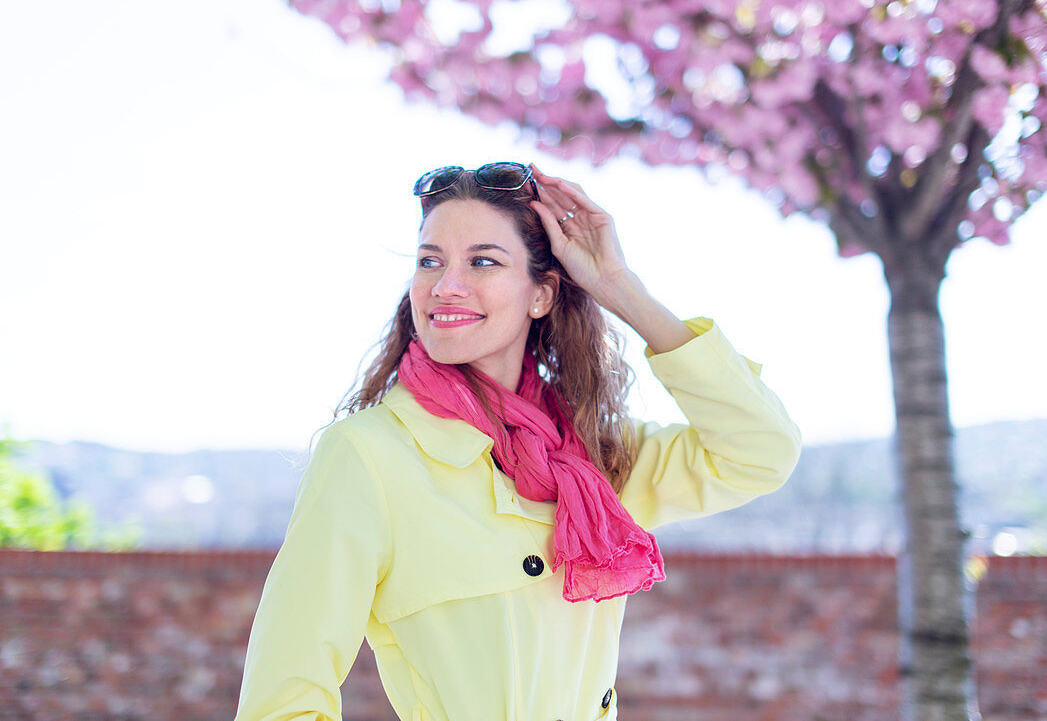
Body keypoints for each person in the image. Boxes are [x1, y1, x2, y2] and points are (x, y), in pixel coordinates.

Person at [234, 162, 801, 721]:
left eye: (482, 261)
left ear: (541, 295)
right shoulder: (369, 456)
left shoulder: (595, 457)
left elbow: (761, 452)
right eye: (430, 261)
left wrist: (619, 289)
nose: (445, 286)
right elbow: (282, 701)